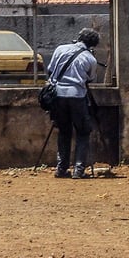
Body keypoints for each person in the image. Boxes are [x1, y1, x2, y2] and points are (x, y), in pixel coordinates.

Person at [46, 28, 101, 179]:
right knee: (83, 132)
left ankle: (61, 168)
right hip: (77, 96)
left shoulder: (60, 49)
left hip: (57, 96)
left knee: (64, 131)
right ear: (93, 45)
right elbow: (91, 78)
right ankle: (79, 169)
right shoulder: (90, 59)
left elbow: (50, 70)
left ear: (79, 37)